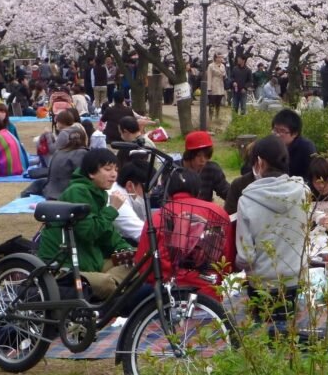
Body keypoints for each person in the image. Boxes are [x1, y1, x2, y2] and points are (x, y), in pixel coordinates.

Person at [37, 149, 132, 300]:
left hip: (89, 262)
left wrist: (129, 251)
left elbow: (107, 234)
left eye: (116, 169)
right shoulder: (78, 191)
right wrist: (112, 209)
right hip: (65, 268)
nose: (114, 174)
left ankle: (106, 286)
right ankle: (107, 287)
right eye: (108, 169)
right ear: (91, 173)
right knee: (106, 283)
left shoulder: (99, 193)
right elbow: (88, 232)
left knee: (136, 267)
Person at [132, 168, 235, 299]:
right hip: (210, 296)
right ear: (198, 189)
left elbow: (144, 265)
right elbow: (228, 257)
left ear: (167, 191)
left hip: (170, 296)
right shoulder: (219, 213)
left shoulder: (157, 217)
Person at [235, 135, 308, 316]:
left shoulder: (247, 200)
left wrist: (237, 264)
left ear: (259, 162)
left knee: (261, 333)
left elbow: (246, 256)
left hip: (262, 285)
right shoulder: (303, 192)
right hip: (295, 280)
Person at [181, 130, 230, 202]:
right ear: (189, 155)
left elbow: (227, 193)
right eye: (198, 155)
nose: (203, 160)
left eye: (206, 155)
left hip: (204, 210)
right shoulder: (174, 170)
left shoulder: (212, 170)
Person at [42, 123, 88, 200]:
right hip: (65, 194)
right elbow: (83, 177)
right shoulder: (81, 153)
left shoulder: (59, 152)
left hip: (49, 191)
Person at [272, 108, 317, 182]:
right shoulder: (271, 145)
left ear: (295, 133)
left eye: (282, 131)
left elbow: (312, 176)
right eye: (275, 130)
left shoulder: (306, 148)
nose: (277, 135)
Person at [207, 53, 227, 120]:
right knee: (212, 102)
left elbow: (224, 74)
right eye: (219, 57)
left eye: (221, 57)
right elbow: (209, 77)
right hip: (213, 84)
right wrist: (209, 87)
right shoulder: (211, 66)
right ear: (215, 58)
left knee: (218, 102)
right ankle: (210, 117)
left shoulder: (223, 66)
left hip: (220, 85)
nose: (220, 59)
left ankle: (217, 116)